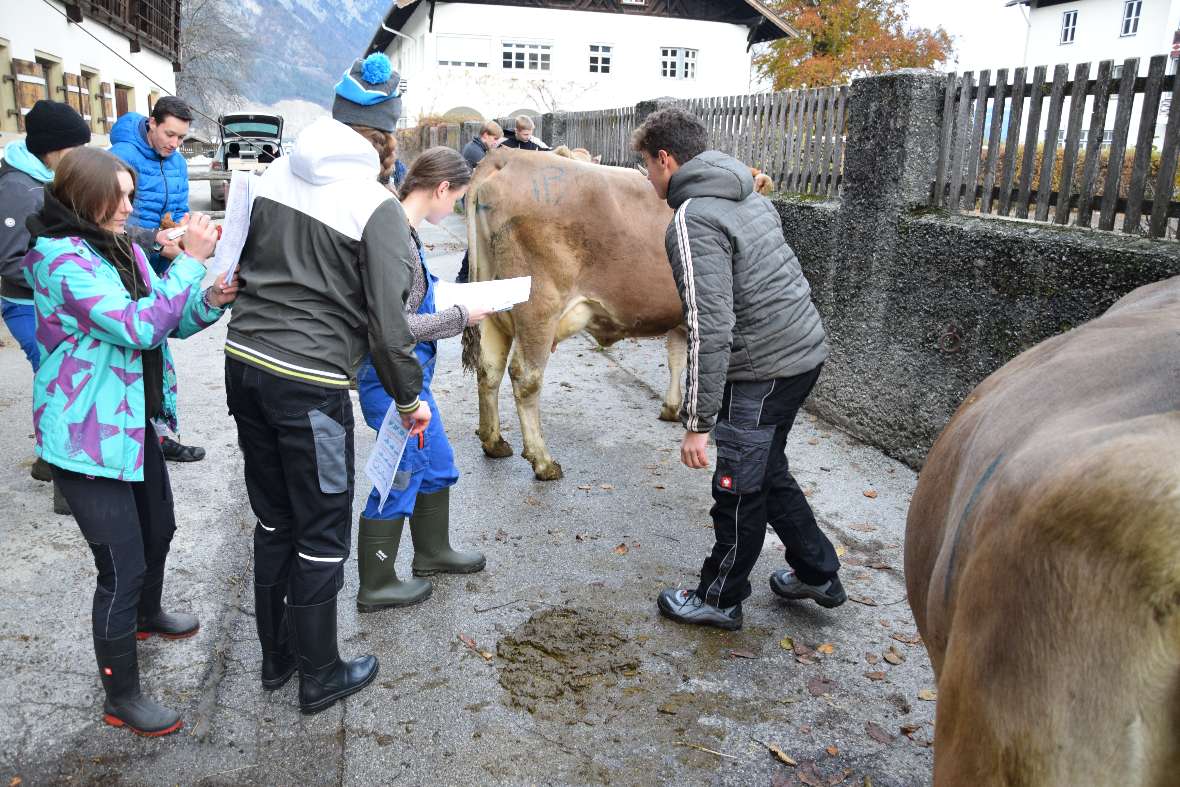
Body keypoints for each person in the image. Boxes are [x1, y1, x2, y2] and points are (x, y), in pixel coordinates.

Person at [224, 52, 430, 715]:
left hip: (244, 363)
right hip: (309, 384)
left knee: (273, 517)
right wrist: (410, 397)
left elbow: (235, 264)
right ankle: (320, 673)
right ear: (387, 137)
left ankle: (276, 657)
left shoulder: (271, 171)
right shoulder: (375, 204)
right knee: (321, 531)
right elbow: (390, 326)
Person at [25, 147, 236, 735]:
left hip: (132, 424)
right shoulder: (60, 260)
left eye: (129, 193)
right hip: (86, 435)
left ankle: (147, 616)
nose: (128, 206)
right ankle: (123, 698)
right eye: (114, 197)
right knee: (120, 566)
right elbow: (138, 324)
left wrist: (212, 296)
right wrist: (191, 261)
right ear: (78, 198)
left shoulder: (116, 246)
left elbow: (167, 321)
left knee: (158, 530)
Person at [632, 107, 841, 632]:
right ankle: (818, 571)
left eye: (645, 165)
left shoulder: (693, 218)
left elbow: (709, 324)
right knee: (766, 467)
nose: (645, 177)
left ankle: (719, 597)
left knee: (738, 485)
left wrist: (697, 424)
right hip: (802, 351)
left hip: (763, 369)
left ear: (666, 158)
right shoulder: (743, 186)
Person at [356, 146, 489, 613]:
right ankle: (376, 582)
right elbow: (395, 327)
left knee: (437, 463)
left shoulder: (404, 232)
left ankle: (432, 553)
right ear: (440, 189)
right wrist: (459, 316)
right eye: (456, 199)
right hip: (389, 377)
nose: (453, 209)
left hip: (409, 374)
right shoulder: (396, 237)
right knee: (400, 471)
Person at [0, 100, 90, 507]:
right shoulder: (18, 188)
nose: (81, 157)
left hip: (46, 300)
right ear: (52, 148)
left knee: (59, 379)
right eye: (75, 149)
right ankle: (65, 484)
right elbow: (10, 261)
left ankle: (48, 461)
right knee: (61, 382)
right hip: (25, 304)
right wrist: (63, 281)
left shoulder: (45, 178)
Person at [109, 96, 206, 464]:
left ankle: (159, 434)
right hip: (125, 268)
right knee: (136, 354)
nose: (174, 144)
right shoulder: (119, 157)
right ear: (151, 123)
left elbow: (175, 211)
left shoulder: (177, 162)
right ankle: (135, 438)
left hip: (161, 267)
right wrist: (153, 240)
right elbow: (103, 222)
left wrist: (183, 234)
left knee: (159, 351)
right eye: (169, 134)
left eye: (181, 138)